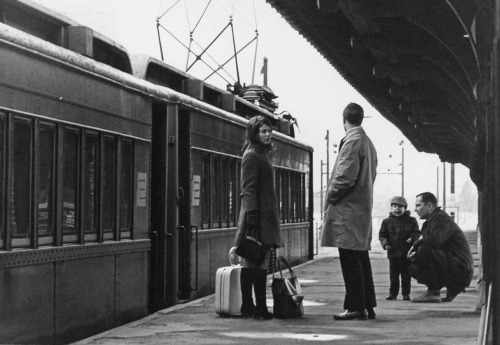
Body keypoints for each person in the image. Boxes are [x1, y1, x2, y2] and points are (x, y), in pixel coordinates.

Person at [321, 103, 378, 320]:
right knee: (360, 257)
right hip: (361, 210)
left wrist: (330, 197)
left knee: (349, 259)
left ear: (344, 120)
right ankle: (367, 305)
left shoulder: (352, 141)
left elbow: (344, 176)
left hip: (348, 211)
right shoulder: (368, 143)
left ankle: (355, 307)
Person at [233, 115, 283, 320]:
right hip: (256, 215)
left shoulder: (262, 153)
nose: (268, 134)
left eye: (269, 131)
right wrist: (252, 217)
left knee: (255, 260)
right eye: (263, 131)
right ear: (254, 134)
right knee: (254, 260)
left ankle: (250, 306)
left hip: (262, 214)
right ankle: (257, 308)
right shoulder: (252, 155)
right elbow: (248, 189)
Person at [408, 192, 474, 303]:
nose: (415, 210)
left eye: (418, 205)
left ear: (429, 206)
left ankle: (433, 292)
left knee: (424, 250)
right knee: (411, 266)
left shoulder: (440, 218)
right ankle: (451, 288)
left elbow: (433, 241)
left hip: (461, 267)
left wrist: (415, 246)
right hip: (458, 265)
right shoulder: (434, 219)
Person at [379, 196, 421, 301]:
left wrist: (412, 239)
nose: (397, 209)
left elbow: (417, 233)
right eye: (394, 206)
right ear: (391, 208)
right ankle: (393, 294)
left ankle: (406, 294)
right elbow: (382, 235)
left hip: (407, 253)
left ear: (405, 208)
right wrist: (386, 244)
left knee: (406, 276)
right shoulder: (387, 221)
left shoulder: (411, 221)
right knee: (394, 276)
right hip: (393, 253)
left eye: (400, 207)